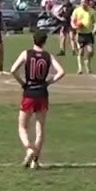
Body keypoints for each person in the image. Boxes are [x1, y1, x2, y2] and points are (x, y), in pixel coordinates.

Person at [9, 30, 66, 169]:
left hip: (29, 93)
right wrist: (49, 82)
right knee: (40, 127)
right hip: (42, 93)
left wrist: (22, 83)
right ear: (44, 41)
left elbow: (13, 70)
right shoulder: (48, 56)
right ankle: (35, 161)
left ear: (33, 39)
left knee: (22, 126)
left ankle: (29, 148)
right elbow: (61, 72)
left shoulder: (26, 53)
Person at [71, 0, 96, 74]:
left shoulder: (92, 11)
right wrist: (74, 26)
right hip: (80, 34)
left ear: (87, 3)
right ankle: (80, 68)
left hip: (89, 34)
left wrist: (95, 29)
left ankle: (87, 62)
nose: (83, 4)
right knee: (81, 51)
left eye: (85, 2)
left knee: (91, 51)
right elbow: (73, 20)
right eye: (82, 2)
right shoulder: (77, 11)